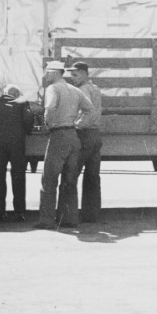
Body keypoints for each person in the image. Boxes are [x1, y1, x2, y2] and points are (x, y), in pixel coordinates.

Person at [33, 60, 93, 231]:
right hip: (73, 136)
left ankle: (46, 220)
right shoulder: (74, 90)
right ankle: (69, 219)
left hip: (58, 136)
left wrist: (49, 124)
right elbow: (90, 110)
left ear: (56, 73)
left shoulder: (52, 89)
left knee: (49, 180)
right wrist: (78, 123)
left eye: (47, 72)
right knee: (69, 180)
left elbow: (50, 108)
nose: (45, 75)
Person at [0, 82, 32, 222]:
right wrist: (27, 130)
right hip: (16, 144)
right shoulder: (22, 104)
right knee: (18, 177)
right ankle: (19, 212)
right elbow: (28, 122)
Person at [67, 61, 104, 223]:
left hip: (85, 135)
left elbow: (87, 113)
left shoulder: (82, 90)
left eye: (75, 75)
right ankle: (92, 215)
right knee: (92, 177)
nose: (72, 78)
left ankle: (69, 215)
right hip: (95, 134)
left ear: (83, 73)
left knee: (72, 173)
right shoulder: (95, 88)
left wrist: (76, 125)